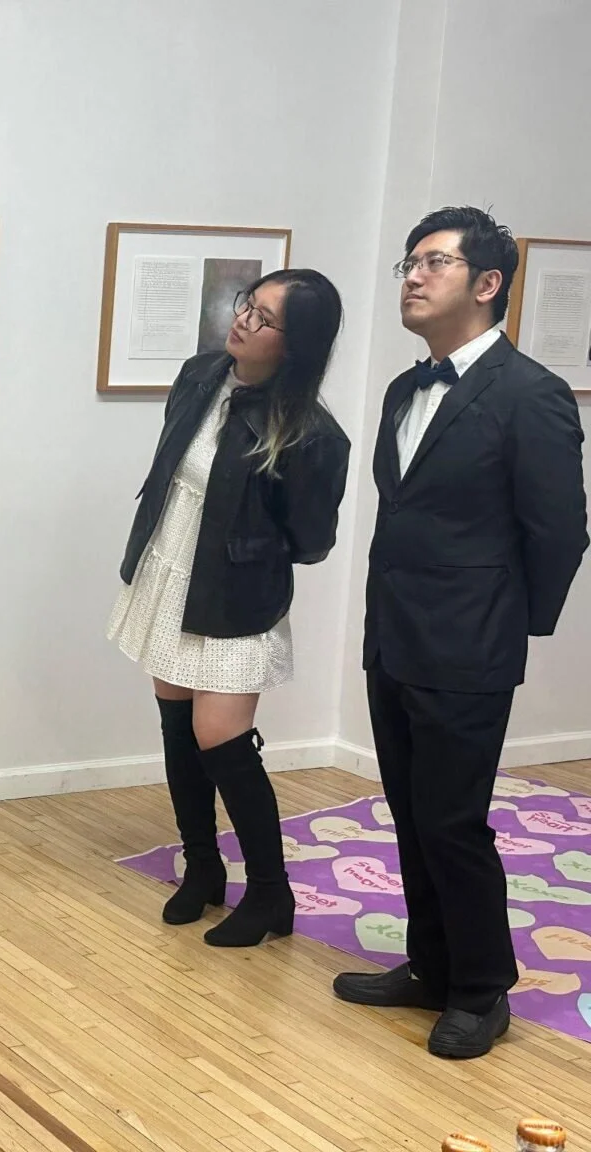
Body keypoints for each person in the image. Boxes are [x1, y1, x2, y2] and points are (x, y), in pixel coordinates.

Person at [334, 207, 587, 1058]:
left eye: (433, 263)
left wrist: (507, 626)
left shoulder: (532, 395)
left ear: (486, 285)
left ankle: (482, 988)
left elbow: (559, 531)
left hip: (469, 647)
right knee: (408, 812)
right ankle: (430, 966)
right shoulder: (408, 388)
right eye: (408, 262)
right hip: (393, 637)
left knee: (454, 820)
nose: (411, 276)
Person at [109, 269, 350, 947]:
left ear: (296, 344)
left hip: (236, 593)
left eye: (267, 318)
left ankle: (271, 894)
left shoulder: (312, 434)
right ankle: (203, 868)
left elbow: (312, 542)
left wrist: (248, 540)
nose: (245, 319)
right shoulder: (200, 376)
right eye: (250, 304)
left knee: (222, 738)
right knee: (177, 721)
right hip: (171, 567)